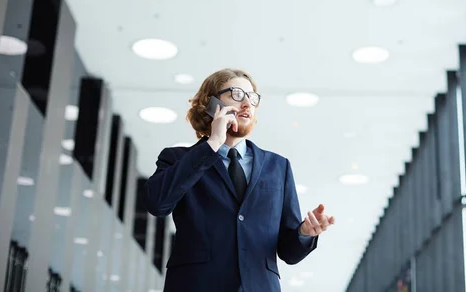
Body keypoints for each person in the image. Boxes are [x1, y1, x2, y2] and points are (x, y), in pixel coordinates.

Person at [142, 68, 334, 291]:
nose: (247, 103)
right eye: (236, 94)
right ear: (211, 103)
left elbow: (288, 253)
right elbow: (157, 204)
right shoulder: (178, 159)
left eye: (252, 97)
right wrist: (212, 143)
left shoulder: (278, 166)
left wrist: (304, 234)